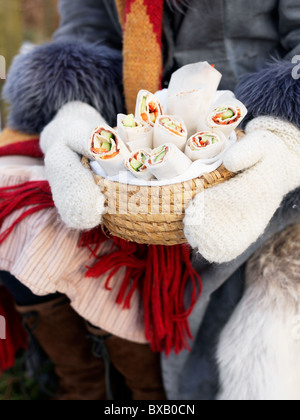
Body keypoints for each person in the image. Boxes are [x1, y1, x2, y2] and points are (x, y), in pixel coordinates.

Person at [0, 0, 299, 400]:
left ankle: (147, 394)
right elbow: (84, 34)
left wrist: (283, 148)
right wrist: (71, 111)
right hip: (130, 132)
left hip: (252, 137)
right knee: (17, 202)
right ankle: (87, 385)